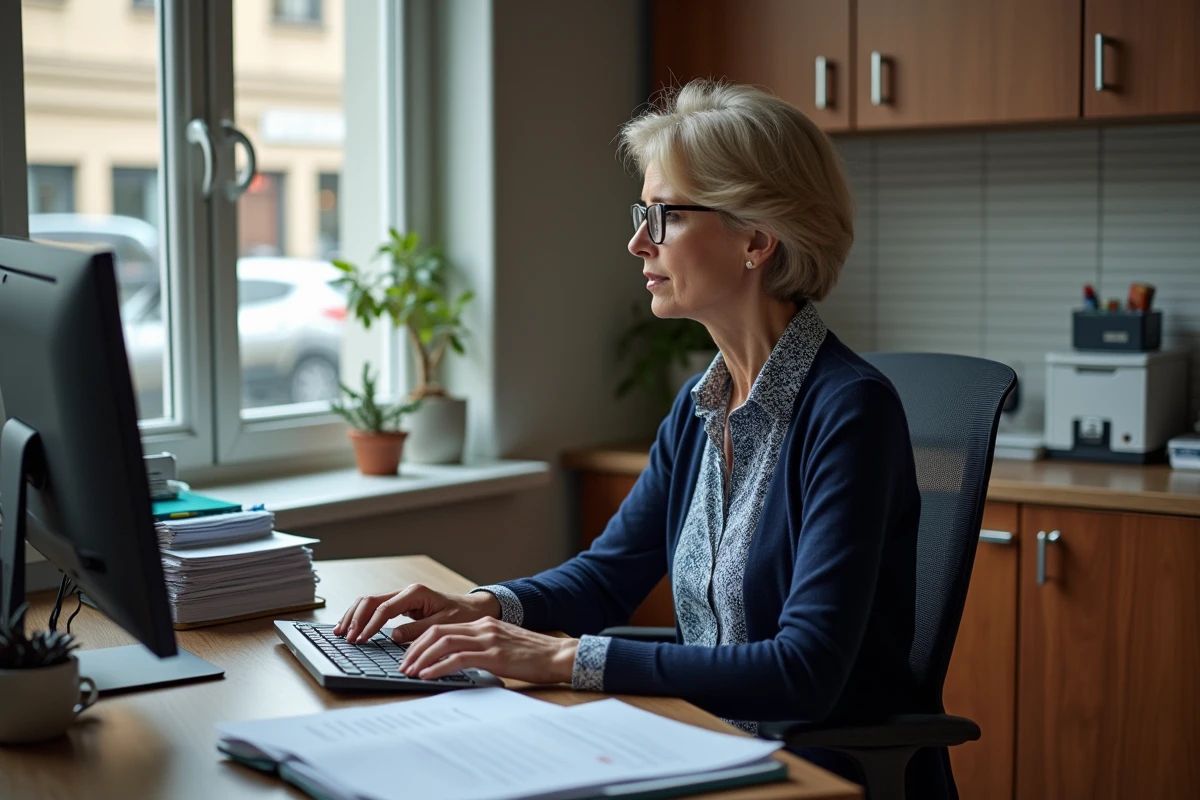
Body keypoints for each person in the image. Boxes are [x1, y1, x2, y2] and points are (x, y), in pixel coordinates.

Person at [334, 80, 955, 798]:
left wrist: (560, 658)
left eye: (665, 216)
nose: (638, 242)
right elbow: (606, 579)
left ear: (757, 239)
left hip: (811, 777)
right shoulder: (700, 407)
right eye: (642, 214)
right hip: (702, 749)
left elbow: (803, 670)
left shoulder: (850, 412)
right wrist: (484, 606)